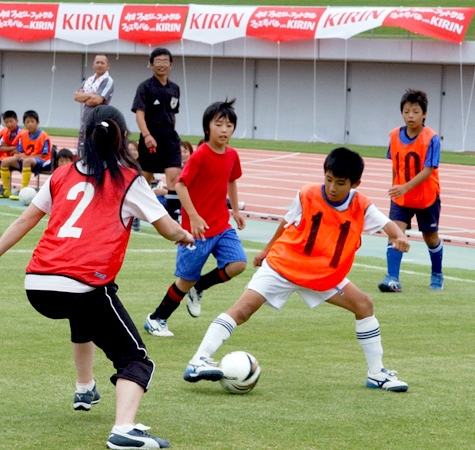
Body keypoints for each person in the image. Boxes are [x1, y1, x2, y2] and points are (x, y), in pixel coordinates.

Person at [0, 105, 193, 450]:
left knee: (86, 313)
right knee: (135, 358)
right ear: (122, 139)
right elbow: (167, 228)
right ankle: (124, 429)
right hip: (82, 283)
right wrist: (185, 236)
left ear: (85, 138)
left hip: (38, 284)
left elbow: (25, 221)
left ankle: (85, 388)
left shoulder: (62, 174)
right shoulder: (129, 179)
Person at [183, 147, 411, 393]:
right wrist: (266, 250)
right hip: (284, 264)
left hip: (321, 274)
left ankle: (376, 374)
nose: (333, 187)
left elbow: (389, 225)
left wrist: (400, 237)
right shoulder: (306, 194)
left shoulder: (362, 205)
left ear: (355, 183)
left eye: (341, 183)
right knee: (243, 310)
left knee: (364, 305)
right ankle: (198, 361)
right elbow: (287, 221)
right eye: (329, 179)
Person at [144, 99, 247, 337]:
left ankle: (200, 287)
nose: (224, 129)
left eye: (229, 125)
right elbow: (180, 186)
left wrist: (236, 211)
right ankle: (157, 318)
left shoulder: (232, 155)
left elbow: (231, 179)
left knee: (238, 263)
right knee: (185, 281)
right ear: (207, 127)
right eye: (219, 124)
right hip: (196, 230)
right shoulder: (201, 154)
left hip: (221, 224)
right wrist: (194, 216)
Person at [378, 89, 444, 292]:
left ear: (424, 114)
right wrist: (395, 187)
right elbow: (395, 165)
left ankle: (437, 274)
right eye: (406, 111)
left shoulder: (431, 138)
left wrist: (405, 186)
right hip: (401, 198)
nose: (411, 116)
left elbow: (428, 169)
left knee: (430, 237)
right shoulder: (394, 135)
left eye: (415, 111)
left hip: (426, 197)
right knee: (395, 233)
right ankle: (392, 277)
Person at [131, 48, 182, 220]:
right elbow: (139, 114)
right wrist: (146, 136)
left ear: (171, 64)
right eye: (158, 61)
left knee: (174, 177)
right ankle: (136, 214)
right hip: (150, 138)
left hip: (170, 139)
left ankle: (174, 215)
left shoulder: (175, 88)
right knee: (145, 178)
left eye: (165, 61)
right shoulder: (144, 87)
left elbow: (173, 113)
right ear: (151, 65)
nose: (162, 65)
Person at [0, 110, 52, 200]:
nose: (30, 124)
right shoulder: (23, 135)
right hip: (25, 160)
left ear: (38, 123)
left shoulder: (44, 136)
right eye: (27, 122)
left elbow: (44, 155)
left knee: (27, 161)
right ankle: (6, 190)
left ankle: (22, 191)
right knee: (5, 162)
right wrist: (19, 155)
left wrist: (26, 157)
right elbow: (19, 150)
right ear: (24, 124)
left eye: (32, 122)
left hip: (41, 161)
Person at [74, 54, 114, 150]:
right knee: (82, 149)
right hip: (86, 121)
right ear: (93, 65)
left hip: (98, 121)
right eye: (97, 62)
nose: (99, 65)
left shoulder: (108, 81)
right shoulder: (89, 80)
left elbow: (98, 100)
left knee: (95, 150)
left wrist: (85, 97)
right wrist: (91, 96)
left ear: (108, 66)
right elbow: (76, 96)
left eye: (102, 63)